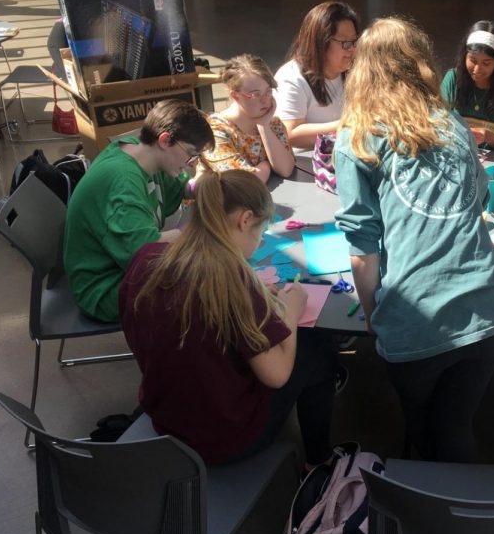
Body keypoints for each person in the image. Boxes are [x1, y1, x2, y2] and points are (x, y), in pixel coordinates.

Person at [334, 17, 494, 463]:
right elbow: (478, 196)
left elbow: (363, 249)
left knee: (420, 427)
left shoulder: (356, 137)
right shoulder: (452, 123)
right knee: (456, 427)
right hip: (491, 310)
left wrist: (371, 314)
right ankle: (460, 516)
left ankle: (424, 511)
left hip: (417, 322)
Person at [118, 169, 337, 467]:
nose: (259, 243)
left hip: (167, 418)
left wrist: (255, 295)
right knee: (320, 349)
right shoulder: (230, 283)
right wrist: (290, 309)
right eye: (260, 234)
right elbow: (277, 374)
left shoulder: (148, 256)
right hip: (222, 439)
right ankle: (319, 463)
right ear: (245, 220)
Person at [64, 99, 214, 323]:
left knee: (210, 270)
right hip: (104, 289)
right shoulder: (123, 182)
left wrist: (203, 188)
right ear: (165, 140)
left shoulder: (142, 153)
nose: (192, 164)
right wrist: (196, 235)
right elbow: (144, 255)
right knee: (210, 285)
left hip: (120, 270)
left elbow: (177, 188)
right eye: (191, 155)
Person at [274, 1, 361, 150]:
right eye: (345, 42)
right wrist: (350, 125)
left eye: (354, 41)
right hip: (304, 163)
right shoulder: (292, 78)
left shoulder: (355, 71)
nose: (352, 49)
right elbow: (289, 133)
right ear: (321, 42)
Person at [440, 20, 494, 156]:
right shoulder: (453, 79)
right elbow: (437, 128)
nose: (477, 69)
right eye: (472, 60)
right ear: (464, 55)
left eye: (486, 63)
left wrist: (490, 137)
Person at [200, 54, 295, 181]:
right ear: (235, 96)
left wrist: (264, 126)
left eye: (268, 91)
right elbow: (245, 182)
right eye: (255, 94)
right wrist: (267, 165)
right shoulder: (216, 129)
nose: (265, 100)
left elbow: (286, 169)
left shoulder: (272, 122)